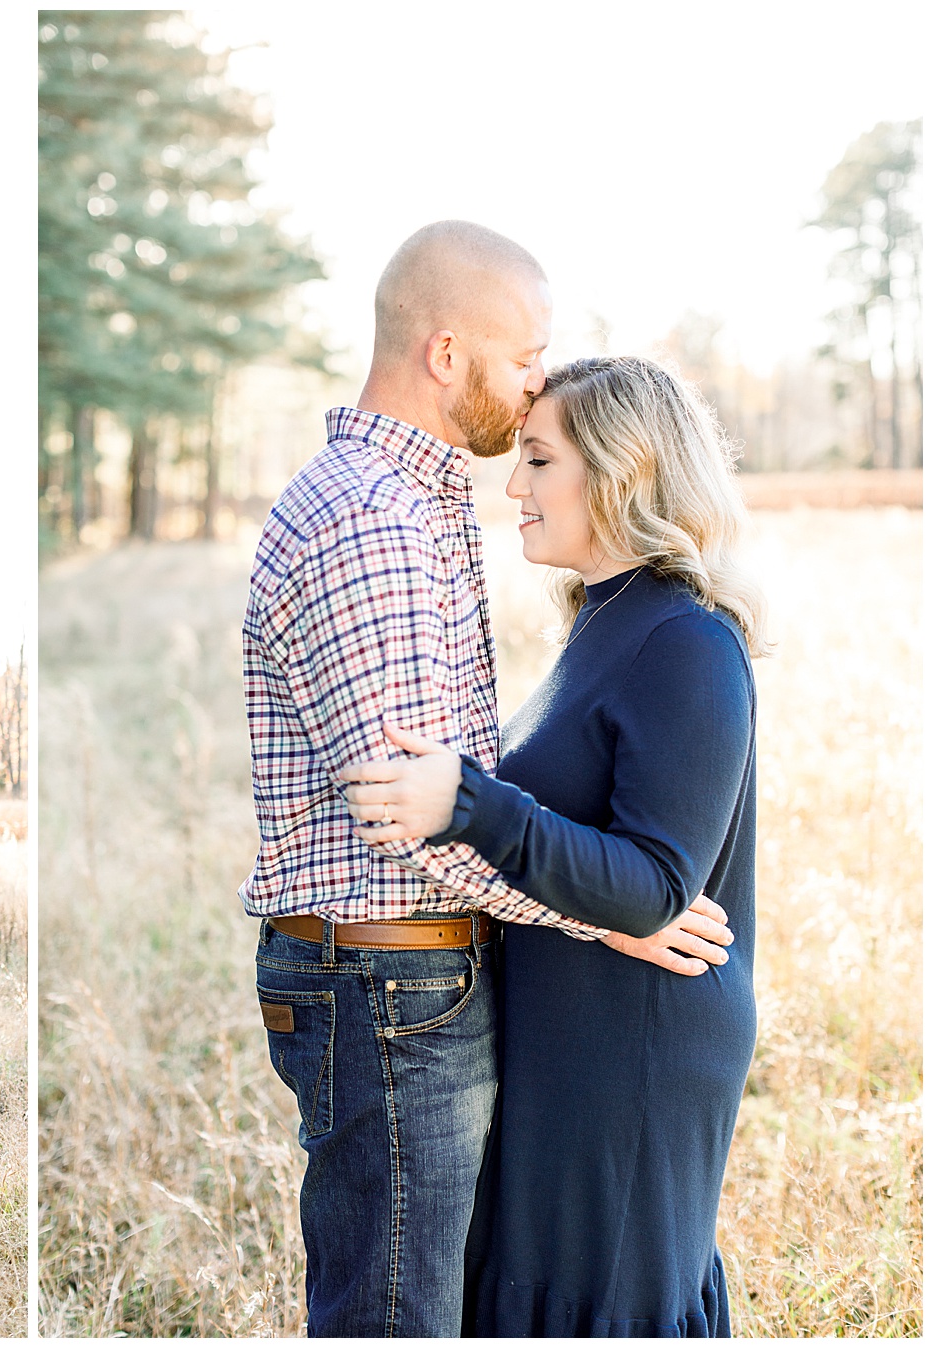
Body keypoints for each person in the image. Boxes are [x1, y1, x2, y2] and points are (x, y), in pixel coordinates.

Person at [241, 221, 733, 1336]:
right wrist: (610, 916)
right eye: (527, 358)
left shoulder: (413, 505)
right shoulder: (370, 519)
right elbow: (404, 813)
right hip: (389, 984)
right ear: (447, 353)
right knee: (395, 1316)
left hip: (410, 982)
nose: (537, 386)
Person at [340, 355, 765, 1336]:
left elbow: (659, 883)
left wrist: (470, 802)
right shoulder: (603, 620)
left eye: (538, 460)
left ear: (620, 471)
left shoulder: (687, 642)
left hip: (638, 1050)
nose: (514, 485)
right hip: (574, 1034)